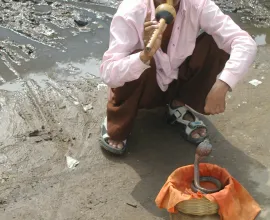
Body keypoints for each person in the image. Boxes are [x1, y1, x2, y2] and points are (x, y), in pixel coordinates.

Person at [99, 0, 257, 155]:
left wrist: (223, 83)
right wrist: (143, 56)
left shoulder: (197, 4)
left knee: (218, 43)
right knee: (142, 60)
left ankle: (177, 104)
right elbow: (108, 72)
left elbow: (244, 42)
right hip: (143, 88)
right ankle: (118, 117)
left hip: (175, 81)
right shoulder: (132, 10)